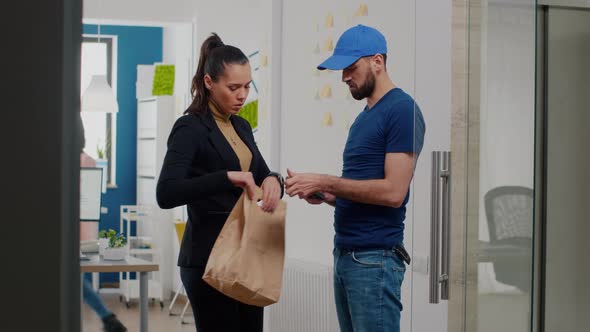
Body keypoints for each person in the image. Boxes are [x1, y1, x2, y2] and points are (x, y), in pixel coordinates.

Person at [285, 24, 426, 332]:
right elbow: (362, 190)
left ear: (377, 61)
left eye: (351, 67)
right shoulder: (364, 119)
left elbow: (393, 193)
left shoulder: (402, 110)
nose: (344, 77)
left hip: (374, 261)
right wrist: (324, 195)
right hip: (348, 255)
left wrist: (324, 181)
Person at [156, 33, 284, 332]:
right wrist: (226, 178)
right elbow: (166, 192)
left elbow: (261, 171)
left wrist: (275, 181)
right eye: (234, 87)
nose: (242, 95)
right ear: (209, 82)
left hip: (246, 255)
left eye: (248, 87)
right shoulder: (189, 127)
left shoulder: (241, 125)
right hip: (208, 261)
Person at [78, 115, 127, 332]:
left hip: (71, 232)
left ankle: (108, 318)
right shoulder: (88, 160)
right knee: (75, 280)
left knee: (73, 280)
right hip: (84, 231)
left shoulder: (61, 159)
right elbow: (89, 204)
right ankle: (108, 318)